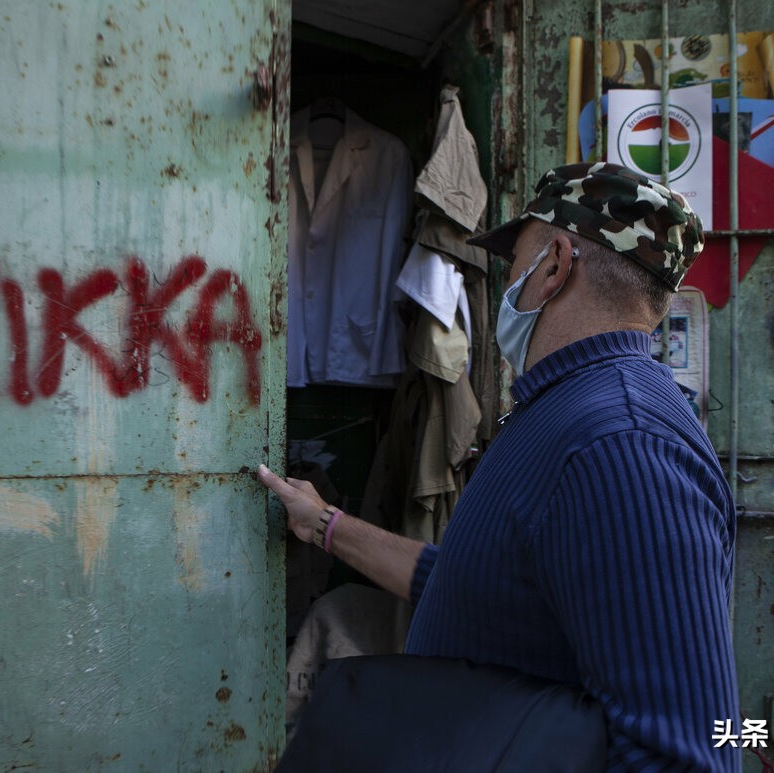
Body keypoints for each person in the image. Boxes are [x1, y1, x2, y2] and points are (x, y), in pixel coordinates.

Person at [259, 162, 741, 771]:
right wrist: (325, 522)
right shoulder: (563, 409)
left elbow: (683, 755)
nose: (509, 279)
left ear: (557, 265)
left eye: (517, 260)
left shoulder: (622, 443)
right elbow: (475, 588)